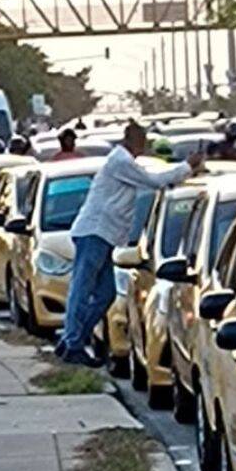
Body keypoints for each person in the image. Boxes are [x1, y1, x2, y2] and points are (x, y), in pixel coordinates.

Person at [58, 121, 203, 365]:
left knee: (105, 294)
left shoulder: (124, 162)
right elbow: (155, 181)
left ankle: (75, 340)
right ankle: (73, 341)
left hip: (105, 235)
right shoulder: (121, 162)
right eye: (142, 140)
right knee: (81, 290)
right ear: (133, 140)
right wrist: (187, 166)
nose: (144, 145)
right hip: (94, 232)